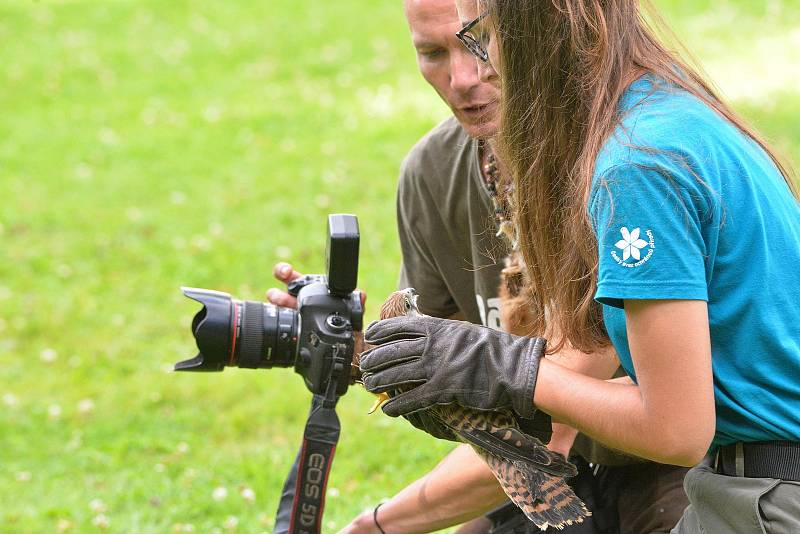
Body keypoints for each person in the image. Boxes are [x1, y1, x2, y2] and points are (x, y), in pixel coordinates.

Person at [360, 1, 800, 533]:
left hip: (769, 496)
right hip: (744, 480)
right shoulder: (662, 109)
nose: (472, 71)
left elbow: (676, 431)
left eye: (481, 37)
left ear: (538, 28)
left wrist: (501, 366)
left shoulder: (636, 165)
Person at [270, 1, 689, 532]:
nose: (462, 78)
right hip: (550, 471)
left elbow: (549, 421)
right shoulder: (433, 171)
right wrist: (360, 350)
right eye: (431, 53)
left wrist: (375, 526)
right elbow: (475, 401)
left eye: (478, 44)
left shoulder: (620, 161)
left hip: (687, 464)